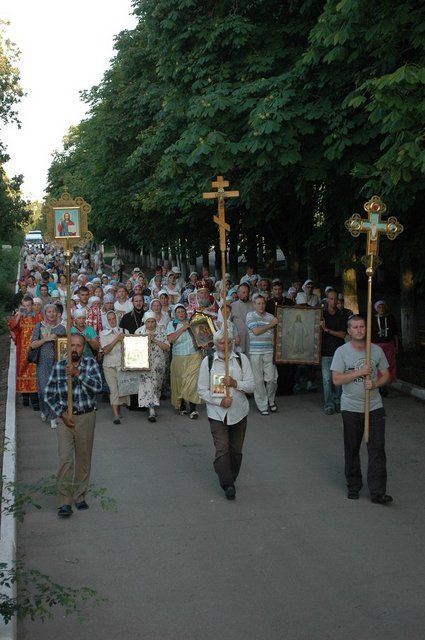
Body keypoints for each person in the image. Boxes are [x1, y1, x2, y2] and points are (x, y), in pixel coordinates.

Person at [331, 314, 392, 505]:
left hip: (374, 407)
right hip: (350, 407)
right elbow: (336, 379)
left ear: (367, 329)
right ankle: (354, 485)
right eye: (355, 327)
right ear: (349, 331)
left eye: (362, 327)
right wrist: (359, 372)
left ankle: (378, 492)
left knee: (377, 449)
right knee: (352, 448)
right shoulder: (342, 352)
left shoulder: (376, 351)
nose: (359, 330)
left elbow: (386, 375)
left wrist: (375, 383)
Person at [44, 333, 102, 518]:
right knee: (65, 460)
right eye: (72, 345)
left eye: (79, 345)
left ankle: (79, 496)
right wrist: (62, 413)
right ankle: (64, 502)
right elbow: (48, 394)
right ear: (67, 347)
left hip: (86, 417)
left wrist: (78, 374)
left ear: (83, 348)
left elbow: (98, 387)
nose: (75, 348)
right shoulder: (59, 366)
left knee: (83, 460)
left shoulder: (91, 365)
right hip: (65, 420)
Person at [198, 329, 254, 500]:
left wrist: (235, 383)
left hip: (239, 412)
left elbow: (251, 386)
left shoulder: (241, 360)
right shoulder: (208, 362)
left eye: (228, 341)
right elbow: (201, 390)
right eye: (221, 342)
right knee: (222, 448)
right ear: (215, 344)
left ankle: (230, 476)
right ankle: (227, 484)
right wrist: (220, 402)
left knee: (236, 450)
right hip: (217, 413)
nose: (225, 345)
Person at [29, 304, 66, 428]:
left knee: (55, 390)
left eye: (54, 311)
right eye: (49, 312)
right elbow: (32, 345)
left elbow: (65, 347)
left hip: (57, 363)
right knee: (44, 390)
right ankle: (44, 410)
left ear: (57, 313)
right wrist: (46, 339)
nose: (51, 314)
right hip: (43, 363)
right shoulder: (39, 327)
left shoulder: (61, 328)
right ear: (45, 313)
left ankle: (52, 417)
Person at [167, 304, 202, 419]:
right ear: (175, 314)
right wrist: (182, 328)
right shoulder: (172, 324)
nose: (181, 313)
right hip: (178, 357)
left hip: (194, 355)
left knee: (192, 382)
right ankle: (182, 405)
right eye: (178, 312)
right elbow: (170, 339)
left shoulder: (192, 323)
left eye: (183, 311)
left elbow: (201, 337)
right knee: (180, 382)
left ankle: (193, 409)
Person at [246, 294, 279, 415]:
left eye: (263, 303)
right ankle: (262, 405)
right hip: (255, 352)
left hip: (269, 351)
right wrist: (271, 325)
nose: (261, 306)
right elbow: (256, 331)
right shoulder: (250, 316)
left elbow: (274, 335)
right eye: (258, 303)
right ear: (254, 305)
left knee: (272, 378)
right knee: (258, 380)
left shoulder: (270, 316)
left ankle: (271, 400)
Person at [8, 295, 42, 410]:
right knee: (23, 372)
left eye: (28, 306)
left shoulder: (38, 317)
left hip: (35, 350)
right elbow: (12, 326)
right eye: (24, 306)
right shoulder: (19, 317)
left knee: (34, 372)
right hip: (22, 351)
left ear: (32, 306)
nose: (26, 308)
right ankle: (25, 397)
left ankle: (35, 399)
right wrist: (18, 315)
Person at [135, 312, 170, 422]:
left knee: (156, 385)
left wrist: (154, 340)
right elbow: (134, 348)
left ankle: (152, 403)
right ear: (145, 322)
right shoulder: (139, 332)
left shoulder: (162, 331)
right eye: (148, 322)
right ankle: (151, 410)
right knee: (147, 385)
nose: (150, 324)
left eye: (152, 321)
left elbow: (167, 347)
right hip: (144, 363)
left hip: (158, 363)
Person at [320, 289, 347, 415]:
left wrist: (327, 330)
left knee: (338, 380)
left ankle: (338, 402)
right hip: (325, 352)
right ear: (327, 300)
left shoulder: (342, 315)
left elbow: (342, 335)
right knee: (326, 380)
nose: (334, 301)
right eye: (331, 298)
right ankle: (329, 404)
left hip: (339, 352)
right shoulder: (321, 315)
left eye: (335, 298)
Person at [100, 311, 129, 424]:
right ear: (107, 321)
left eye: (114, 319)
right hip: (109, 365)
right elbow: (105, 350)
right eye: (110, 319)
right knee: (113, 390)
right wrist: (117, 339)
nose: (112, 321)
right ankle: (116, 415)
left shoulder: (124, 331)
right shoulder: (103, 333)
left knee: (121, 389)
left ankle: (118, 409)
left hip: (122, 365)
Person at [119, 293, 145, 409]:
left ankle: (144, 402)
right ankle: (133, 403)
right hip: (131, 349)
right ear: (132, 302)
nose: (138, 303)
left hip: (145, 348)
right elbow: (122, 331)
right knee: (133, 377)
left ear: (143, 302)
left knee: (144, 376)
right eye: (136, 301)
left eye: (140, 301)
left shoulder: (148, 316)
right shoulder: (126, 317)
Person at [371, 300, 399, 395]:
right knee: (377, 366)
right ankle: (379, 386)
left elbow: (395, 333)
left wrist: (396, 346)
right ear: (376, 309)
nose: (381, 309)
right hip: (376, 346)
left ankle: (385, 385)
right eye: (379, 307)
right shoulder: (372, 319)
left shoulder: (390, 318)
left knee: (388, 365)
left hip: (389, 345)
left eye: (383, 307)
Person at [231, 283, 253, 354]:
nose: (246, 294)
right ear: (238, 293)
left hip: (252, 339)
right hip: (238, 339)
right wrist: (234, 335)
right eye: (243, 292)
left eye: (247, 292)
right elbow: (229, 323)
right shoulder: (232, 306)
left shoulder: (254, 305)